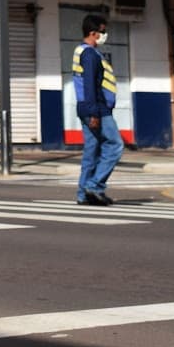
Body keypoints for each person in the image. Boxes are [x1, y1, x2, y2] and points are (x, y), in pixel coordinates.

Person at [72, 13, 123, 206]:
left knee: (91, 151)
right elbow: (90, 85)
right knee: (115, 145)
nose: (105, 35)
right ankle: (94, 186)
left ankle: (83, 194)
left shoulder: (82, 51)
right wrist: (94, 113)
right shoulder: (90, 54)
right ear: (93, 33)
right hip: (97, 109)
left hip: (87, 107)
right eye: (103, 31)